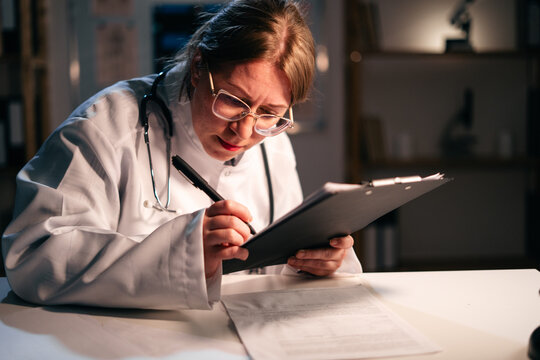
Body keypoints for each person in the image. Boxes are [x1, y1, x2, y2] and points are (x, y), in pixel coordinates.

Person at [1, 0, 362, 310]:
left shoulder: (273, 139)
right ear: (196, 68)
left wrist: (315, 260)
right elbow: (33, 257)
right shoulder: (104, 128)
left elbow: (277, 264)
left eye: (269, 112)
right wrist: (182, 255)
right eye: (233, 101)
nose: (246, 131)